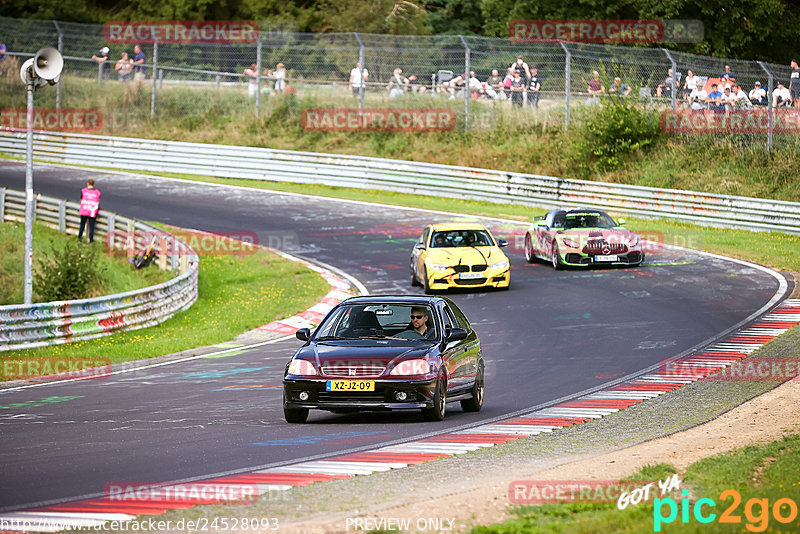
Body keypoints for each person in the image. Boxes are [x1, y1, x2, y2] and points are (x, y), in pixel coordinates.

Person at [78, 179, 101, 244]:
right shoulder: (97, 192)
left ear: (88, 183)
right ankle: (91, 241)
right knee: (91, 227)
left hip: (84, 210)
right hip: (92, 211)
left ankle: (79, 239)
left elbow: (81, 200)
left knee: (82, 225)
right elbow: (98, 201)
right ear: (93, 184)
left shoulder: (83, 191)